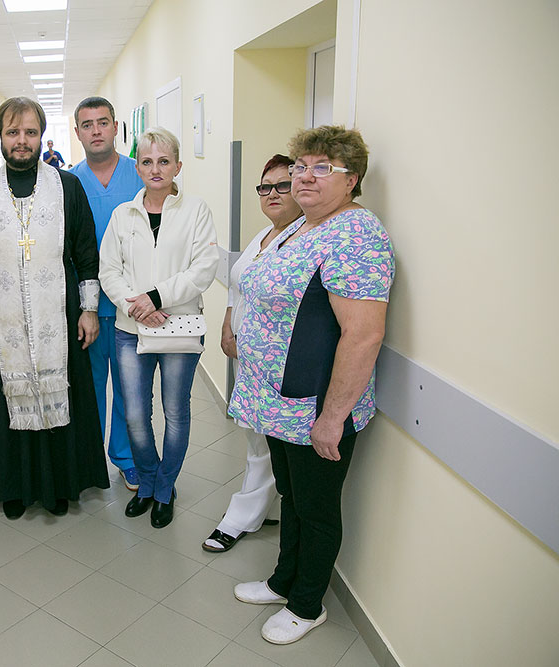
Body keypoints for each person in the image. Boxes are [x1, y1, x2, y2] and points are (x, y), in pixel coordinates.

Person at [229, 126, 394, 645]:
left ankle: (307, 605)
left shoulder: (356, 235)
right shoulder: (300, 226)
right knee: (291, 496)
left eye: (323, 168)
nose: (305, 176)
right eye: (301, 166)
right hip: (277, 403)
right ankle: (284, 580)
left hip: (315, 406)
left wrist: (333, 417)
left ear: (352, 179)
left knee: (317, 508)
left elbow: (363, 335)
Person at [0, 97, 109, 519]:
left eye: (30, 132)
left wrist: (88, 309)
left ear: (41, 136)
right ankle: (14, 488)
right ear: (0, 137)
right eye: (13, 132)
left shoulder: (67, 186)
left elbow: (86, 250)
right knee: (6, 398)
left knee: (63, 391)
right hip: (4, 316)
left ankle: (60, 486)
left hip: (60, 315)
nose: (22, 140)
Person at [98, 127, 218, 529]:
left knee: (176, 412)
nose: (155, 169)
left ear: (177, 166)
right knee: (134, 414)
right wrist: (136, 306)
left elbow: (204, 268)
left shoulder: (196, 210)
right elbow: (109, 271)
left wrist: (156, 297)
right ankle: (147, 481)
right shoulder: (123, 215)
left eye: (164, 161)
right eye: (147, 161)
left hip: (178, 326)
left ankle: (165, 488)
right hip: (130, 329)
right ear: (138, 167)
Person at [202, 154, 302, 553]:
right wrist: (228, 323)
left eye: (283, 185)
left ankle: (239, 517)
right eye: (265, 187)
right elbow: (237, 285)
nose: (272, 193)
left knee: (263, 444)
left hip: (276, 361)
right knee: (257, 438)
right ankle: (268, 508)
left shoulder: (301, 239)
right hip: (250, 358)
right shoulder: (263, 235)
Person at [70, 96, 143, 491]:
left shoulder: (142, 173)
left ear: (116, 127)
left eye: (102, 122)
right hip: (88, 308)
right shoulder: (68, 182)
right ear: (77, 132)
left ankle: (127, 458)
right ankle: (88, 462)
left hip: (134, 305)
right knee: (88, 388)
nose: (96, 131)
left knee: (131, 389)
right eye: (87, 124)